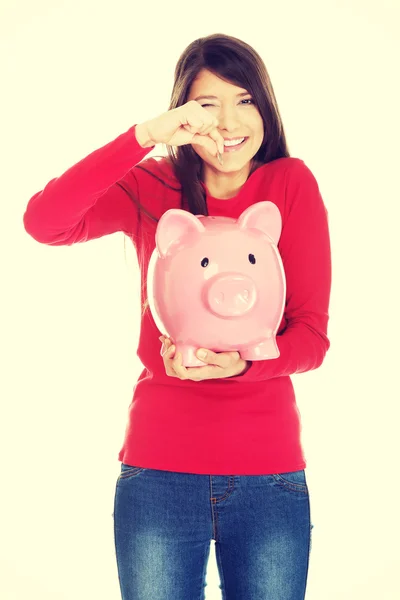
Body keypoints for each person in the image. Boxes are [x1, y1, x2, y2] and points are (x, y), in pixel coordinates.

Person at [23, 33, 331, 600]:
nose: (229, 122)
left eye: (244, 100)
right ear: (182, 115)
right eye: (206, 106)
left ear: (265, 107)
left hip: (268, 471)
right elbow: (46, 222)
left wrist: (240, 366)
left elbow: (311, 336)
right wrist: (144, 137)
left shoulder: (289, 184)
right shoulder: (155, 185)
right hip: (159, 468)